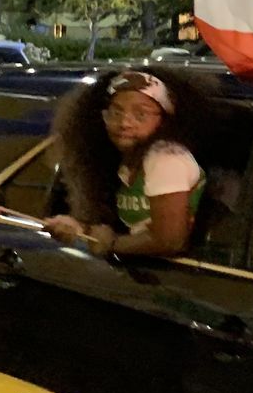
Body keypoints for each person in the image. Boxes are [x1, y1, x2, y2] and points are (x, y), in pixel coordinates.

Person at [46, 69, 209, 258]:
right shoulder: (128, 159)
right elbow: (128, 230)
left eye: (140, 115)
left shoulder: (166, 158)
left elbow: (169, 241)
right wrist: (79, 229)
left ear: (163, 120)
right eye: (116, 112)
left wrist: (112, 243)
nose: (124, 123)